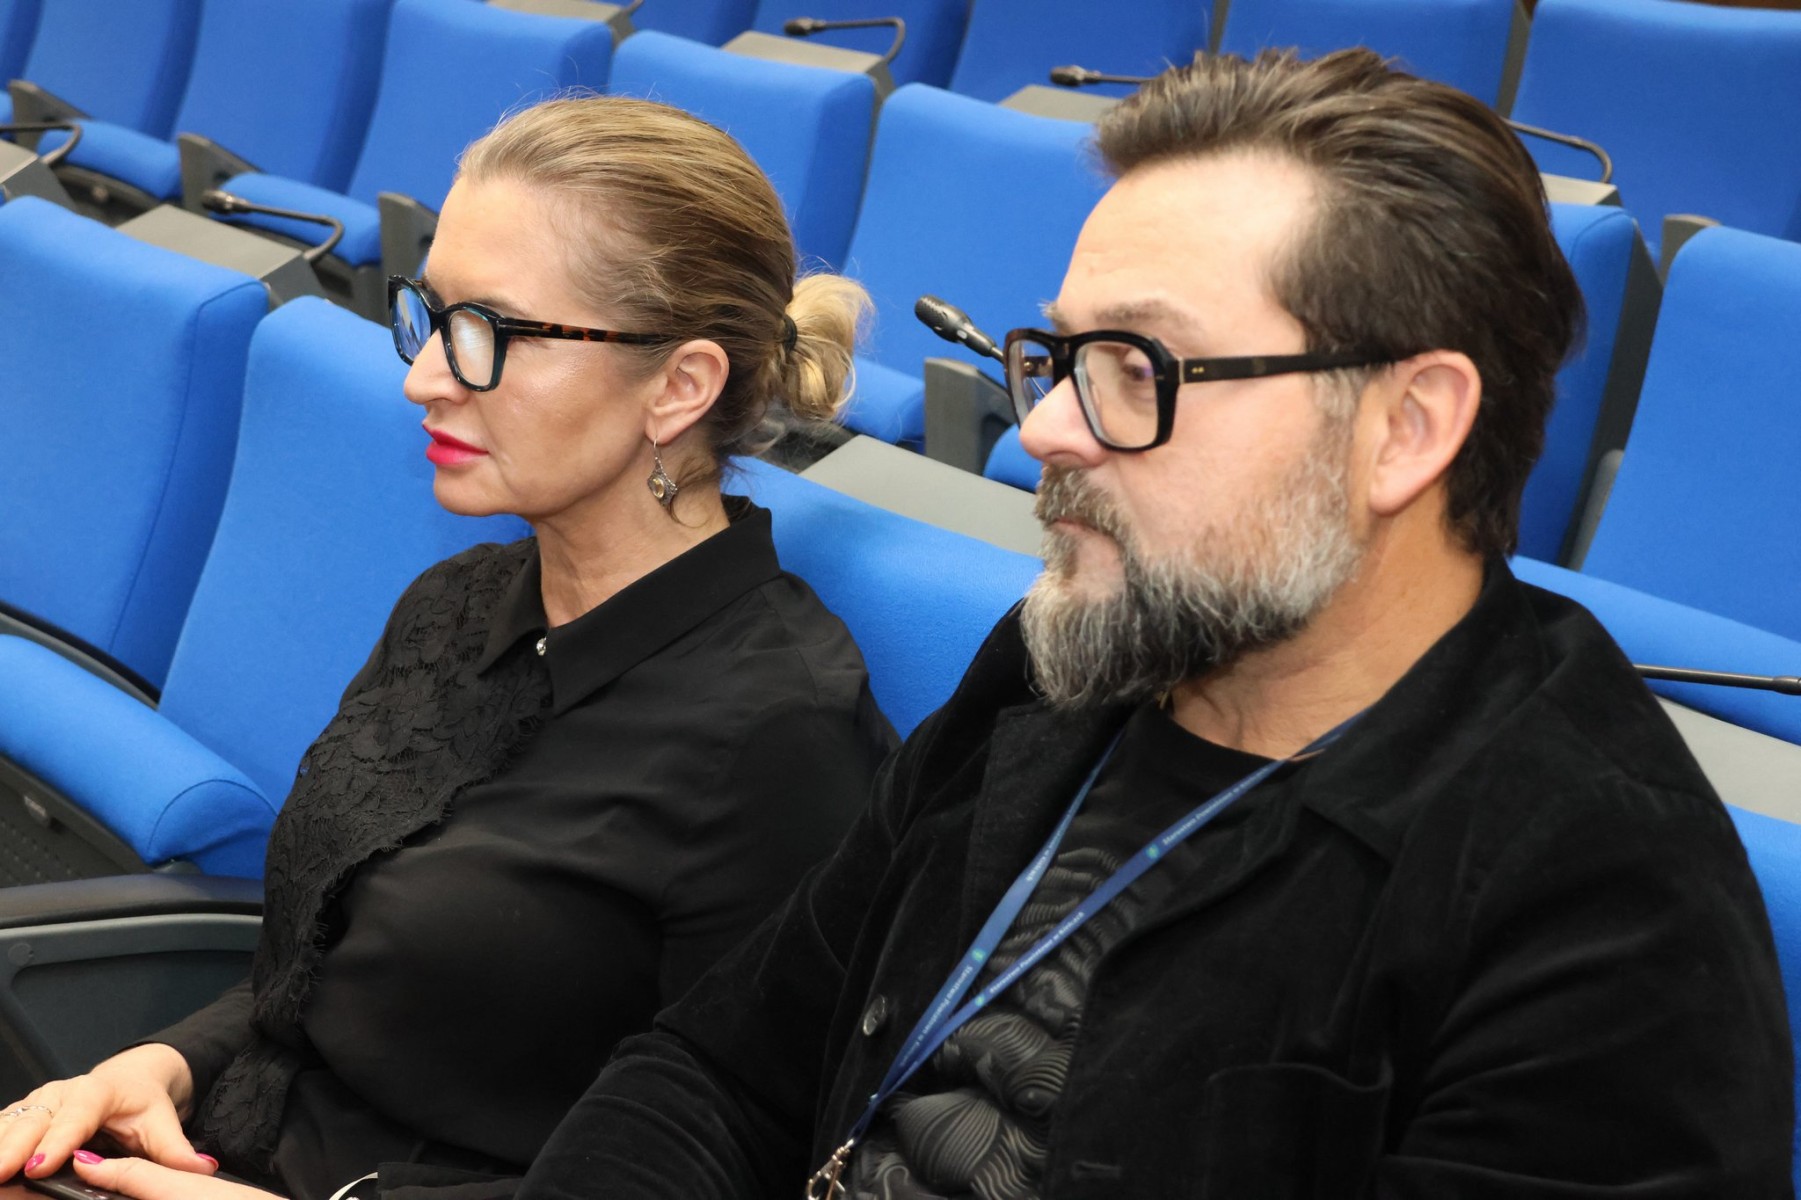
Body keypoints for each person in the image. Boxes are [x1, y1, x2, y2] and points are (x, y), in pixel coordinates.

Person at [0, 95, 895, 1200]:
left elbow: (747, 1169)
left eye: (489, 335)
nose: (423, 377)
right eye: (429, 316)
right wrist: (166, 1065)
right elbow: (323, 977)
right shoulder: (459, 602)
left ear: (679, 386)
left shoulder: (783, 739)